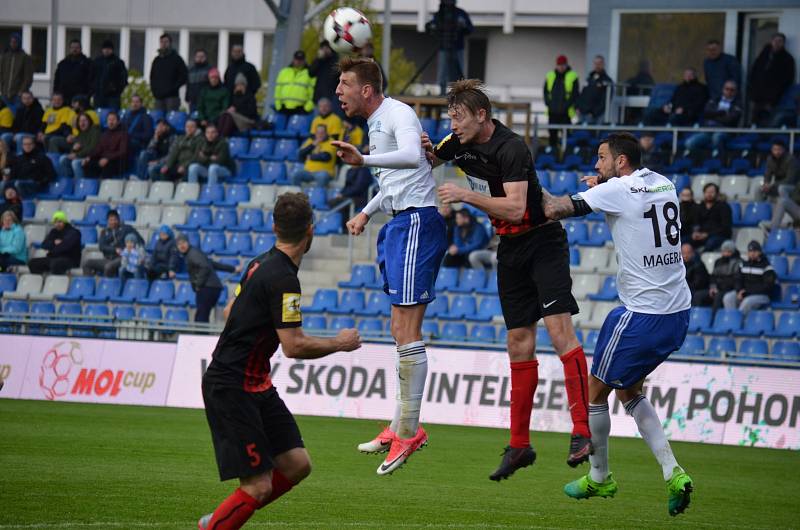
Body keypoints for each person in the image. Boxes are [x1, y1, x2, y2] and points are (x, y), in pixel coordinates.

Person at [426, 79, 592, 478]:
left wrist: (466, 195)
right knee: (518, 343)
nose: (453, 123)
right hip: (510, 248)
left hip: (542, 242)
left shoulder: (511, 146)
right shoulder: (457, 143)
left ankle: (583, 431)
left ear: (481, 115)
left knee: (559, 333)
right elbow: (426, 158)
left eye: (459, 116)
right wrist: (368, 158)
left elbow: (517, 209)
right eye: (450, 116)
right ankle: (519, 445)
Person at [541, 132, 693, 516]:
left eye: (602, 158)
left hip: (641, 315)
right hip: (678, 313)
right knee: (629, 390)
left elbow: (555, 209)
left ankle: (600, 476)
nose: (596, 165)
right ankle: (674, 473)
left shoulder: (619, 189)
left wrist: (518, 187)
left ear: (621, 161)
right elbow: (632, 200)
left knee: (594, 390)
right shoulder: (664, 182)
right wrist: (605, 186)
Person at [196, 193, 361, 530]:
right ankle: (220, 522)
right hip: (233, 385)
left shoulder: (259, 263)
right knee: (258, 486)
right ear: (310, 231)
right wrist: (340, 343)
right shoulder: (285, 279)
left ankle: (229, 514)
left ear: (274, 227)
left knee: (297, 464)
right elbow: (294, 347)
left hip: (254, 382)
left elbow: (229, 312)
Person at [333, 56, 447, 475]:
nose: (338, 91)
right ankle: (401, 424)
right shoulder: (376, 121)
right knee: (398, 329)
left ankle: (410, 431)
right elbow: (395, 179)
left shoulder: (399, 113)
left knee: (408, 330)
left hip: (417, 221)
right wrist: (366, 211)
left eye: (344, 83)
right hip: (399, 222)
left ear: (367, 89)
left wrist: (362, 160)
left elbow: (412, 157)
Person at [175, 233, 236, 323]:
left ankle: (200, 337)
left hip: (207, 288)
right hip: (213, 287)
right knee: (202, 316)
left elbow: (205, 266)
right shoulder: (195, 252)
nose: (181, 246)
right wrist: (233, 268)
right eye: (179, 244)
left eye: (183, 242)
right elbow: (212, 264)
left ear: (188, 242)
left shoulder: (192, 254)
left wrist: (198, 285)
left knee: (201, 318)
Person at [425, 0, 473, 95]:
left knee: (459, 71)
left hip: (458, 47)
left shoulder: (460, 13)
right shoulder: (440, 14)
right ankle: (442, 92)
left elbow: (470, 28)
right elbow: (432, 27)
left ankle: (460, 93)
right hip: (443, 47)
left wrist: (462, 26)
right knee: (443, 71)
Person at [748, 33, 796, 126]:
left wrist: (777, 95)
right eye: (775, 41)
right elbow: (754, 71)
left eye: (780, 41)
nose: (777, 43)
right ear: (771, 41)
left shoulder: (787, 59)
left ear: (783, 43)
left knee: (771, 121)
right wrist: (752, 90)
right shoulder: (763, 55)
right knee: (754, 121)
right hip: (758, 96)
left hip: (774, 98)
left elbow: (789, 79)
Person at [684, 81, 742, 156]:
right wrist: (722, 114)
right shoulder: (714, 100)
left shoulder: (738, 104)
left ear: (735, 92)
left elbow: (729, 120)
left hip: (725, 131)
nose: (729, 91)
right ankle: (705, 158)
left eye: (732, 90)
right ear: (723, 89)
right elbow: (706, 114)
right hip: (708, 130)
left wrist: (713, 116)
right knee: (689, 143)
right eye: (727, 89)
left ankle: (720, 159)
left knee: (717, 137)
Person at [83, 209, 144, 277]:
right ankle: (91, 284)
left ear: (118, 219)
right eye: (111, 220)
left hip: (122, 258)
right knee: (87, 263)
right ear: (108, 221)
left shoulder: (127, 229)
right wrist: (114, 250)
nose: (113, 222)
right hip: (108, 259)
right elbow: (102, 247)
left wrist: (130, 250)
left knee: (108, 267)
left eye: (115, 219)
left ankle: (108, 286)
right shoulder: (104, 232)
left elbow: (140, 241)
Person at [723, 241, 777, 315]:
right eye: (750, 251)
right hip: (745, 292)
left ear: (760, 252)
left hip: (762, 295)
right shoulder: (743, 264)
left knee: (747, 302)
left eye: (755, 251)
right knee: (728, 298)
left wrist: (747, 291)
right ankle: (732, 320)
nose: (752, 253)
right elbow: (738, 279)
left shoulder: (767, 267)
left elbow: (767, 286)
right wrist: (739, 290)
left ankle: (739, 322)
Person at [75, 111, 129, 178]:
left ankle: (104, 186)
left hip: (115, 161)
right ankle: (91, 186)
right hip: (103, 159)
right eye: (109, 120)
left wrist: (108, 158)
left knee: (107, 166)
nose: (111, 122)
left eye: (113, 120)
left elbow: (122, 152)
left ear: (118, 122)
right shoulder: (105, 134)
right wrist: (89, 157)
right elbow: (98, 149)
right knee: (87, 164)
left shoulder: (123, 134)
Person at [692, 239, 741, 310]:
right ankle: (697, 317)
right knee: (698, 295)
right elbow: (713, 277)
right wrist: (713, 287)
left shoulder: (738, 263)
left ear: (733, 251)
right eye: (724, 251)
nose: (726, 253)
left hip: (729, 290)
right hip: (717, 289)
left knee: (718, 297)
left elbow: (735, 279)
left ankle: (714, 319)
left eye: (728, 251)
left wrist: (719, 288)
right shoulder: (718, 262)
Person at [28, 210, 82, 275]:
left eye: (60, 221)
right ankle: (43, 281)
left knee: (55, 264)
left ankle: (58, 283)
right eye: (55, 222)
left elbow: (65, 247)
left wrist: (52, 249)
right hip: (54, 258)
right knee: (32, 263)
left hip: (70, 259)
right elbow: (44, 245)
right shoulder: (54, 232)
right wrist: (54, 243)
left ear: (64, 221)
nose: (57, 224)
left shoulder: (74, 232)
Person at [544, 55, 579, 150]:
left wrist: (566, 106)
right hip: (552, 112)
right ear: (556, 65)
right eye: (559, 65)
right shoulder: (550, 75)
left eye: (563, 65)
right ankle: (553, 153)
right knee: (552, 135)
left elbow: (574, 94)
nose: (561, 67)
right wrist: (549, 104)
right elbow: (546, 92)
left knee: (567, 136)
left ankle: (566, 154)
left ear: (566, 65)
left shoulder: (573, 76)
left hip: (566, 113)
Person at [149, 34, 188, 112]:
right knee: (159, 120)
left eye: (166, 42)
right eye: (161, 42)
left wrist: (173, 88)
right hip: (158, 97)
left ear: (170, 43)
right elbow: (152, 77)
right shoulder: (157, 60)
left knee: (171, 120)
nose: (163, 44)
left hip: (172, 97)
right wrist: (154, 91)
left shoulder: (177, 59)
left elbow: (184, 76)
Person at [691, 183, 731, 252]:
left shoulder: (724, 207)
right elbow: (696, 223)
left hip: (718, 236)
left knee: (711, 243)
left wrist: (707, 234)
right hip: (702, 235)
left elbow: (725, 227)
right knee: (685, 242)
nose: (709, 194)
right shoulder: (700, 206)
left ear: (717, 193)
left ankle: (701, 260)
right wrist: (695, 232)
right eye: (707, 192)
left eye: (712, 192)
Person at [53, 39, 93, 108]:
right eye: (72, 47)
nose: (74, 49)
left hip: (80, 96)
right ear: (70, 49)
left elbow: (91, 79)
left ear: (80, 49)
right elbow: (57, 79)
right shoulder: (63, 63)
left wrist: (88, 94)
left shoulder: (87, 63)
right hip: (64, 96)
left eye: (76, 47)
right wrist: (56, 93)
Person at [58, 113, 100, 178]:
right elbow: (73, 151)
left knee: (75, 163)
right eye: (80, 121)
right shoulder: (80, 134)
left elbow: (92, 147)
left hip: (91, 157)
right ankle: (68, 182)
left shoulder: (95, 130)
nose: (82, 123)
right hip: (80, 156)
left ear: (89, 121)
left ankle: (79, 184)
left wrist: (77, 155)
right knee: (63, 158)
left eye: (85, 120)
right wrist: (74, 150)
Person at [274, 51, 314, 116]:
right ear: (293, 59)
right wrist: (278, 107)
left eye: (301, 60)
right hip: (283, 110)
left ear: (304, 60)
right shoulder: (283, 72)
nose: (298, 61)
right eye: (297, 59)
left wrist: (306, 109)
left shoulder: (310, 73)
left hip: (300, 111)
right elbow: (277, 91)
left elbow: (313, 93)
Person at [576, 55, 613, 125]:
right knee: (581, 134)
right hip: (582, 113)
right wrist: (578, 107)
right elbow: (582, 94)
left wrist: (594, 113)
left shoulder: (606, 81)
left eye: (599, 63)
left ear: (603, 64)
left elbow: (605, 101)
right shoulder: (589, 79)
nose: (597, 66)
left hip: (594, 116)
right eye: (595, 63)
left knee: (592, 134)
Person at [91, 40, 128, 110]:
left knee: (113, 114)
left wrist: (117, 89)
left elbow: (123, 78)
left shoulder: (118, 62)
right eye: (105, 49)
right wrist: (94, 89)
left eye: (108, 49)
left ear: (112, 50)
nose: (106, 51)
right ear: (102, 50)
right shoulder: (97, 62)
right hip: (99, 95)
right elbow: (91, 77)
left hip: (113, 96)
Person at [0, 33, 33, 106]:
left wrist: (21, 91)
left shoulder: (25, 57)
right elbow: (1, 73)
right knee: (4, 115)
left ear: (19, 43)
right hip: (5, 94)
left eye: (15, 42)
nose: (13, 44)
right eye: (11, 42)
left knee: (17, 116)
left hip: (18, 95)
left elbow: (28, 77)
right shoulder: (5, 56)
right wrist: (2, 89)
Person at [308, 41, 340, 111]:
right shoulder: (319, 60)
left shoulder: (335, 59)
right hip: (318, 97)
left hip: (331, 97)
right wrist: (319, 59)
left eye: (327, 48)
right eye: (323, 48)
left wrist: (331, 56)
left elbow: (337, 74)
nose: (325, 50)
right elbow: (311, 73)